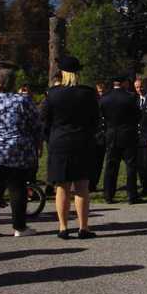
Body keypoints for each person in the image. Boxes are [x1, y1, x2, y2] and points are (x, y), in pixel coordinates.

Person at [0, 69, 41, 238]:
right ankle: (19, 227)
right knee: (17, 188)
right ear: (13, 83)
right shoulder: (23, 101)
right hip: (16, 149)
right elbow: (36, 124)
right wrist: (37, 143)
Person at [41, 56, 99, 239]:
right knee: (82, 186)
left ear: (62, 73)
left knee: (62, 186)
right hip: (82, 142)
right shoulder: (88, 93)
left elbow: (45, 121)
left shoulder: (52, 94)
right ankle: (83, 227)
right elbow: (95, 120)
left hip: (59, 142)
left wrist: (50, 139)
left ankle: (63, 227)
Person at [100, 74, 141, 204]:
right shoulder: (131, 97)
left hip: (111, 134)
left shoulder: (105, 98)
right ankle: (132, 195)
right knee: (131, 166)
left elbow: (101, 116)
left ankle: (108, 194)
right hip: (128, 135)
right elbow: (137, 115)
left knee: (111, 166)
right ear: (124, 83)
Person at [134, 77, 147, 196]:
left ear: (145, 86)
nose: (139, 89)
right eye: (137, 87)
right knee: (139, 164)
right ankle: (143, 185)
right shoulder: (135, 100)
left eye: (141, 86)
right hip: (137, 138)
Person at [89, 82, 108, 192]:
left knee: (101, 162)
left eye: (103, 91)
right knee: (95, 162)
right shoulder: (93, 103)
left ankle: (98, 183)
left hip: (106, 134)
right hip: (96, 136)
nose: (101, 93)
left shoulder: (108, 100)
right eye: (99, 91)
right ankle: (92, 184)